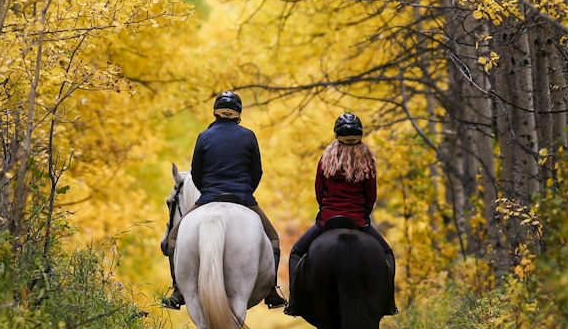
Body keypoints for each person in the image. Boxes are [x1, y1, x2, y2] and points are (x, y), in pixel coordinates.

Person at [161, 90, 287, 309]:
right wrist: (245, 193)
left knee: (172, 238)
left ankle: (178, 290)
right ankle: (272, 291)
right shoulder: (248, 136)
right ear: (238, 115)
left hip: (208, 197)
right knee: (273, 238)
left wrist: (208, 193)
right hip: (243, 198)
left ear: (215, 114)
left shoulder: (204, 136)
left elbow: (196, 173)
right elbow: (256, 172)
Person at [281, 112, 397, 316]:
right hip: (359, 222)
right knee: (387, 254)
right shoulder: (367, 160)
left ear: (337, 135)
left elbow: (319, 191)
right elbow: (371, 196)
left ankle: (294, 302)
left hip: (327, 220)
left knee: (296, 253)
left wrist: (326, 211)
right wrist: (362, 216)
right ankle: (389, 303)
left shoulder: (326, 159)